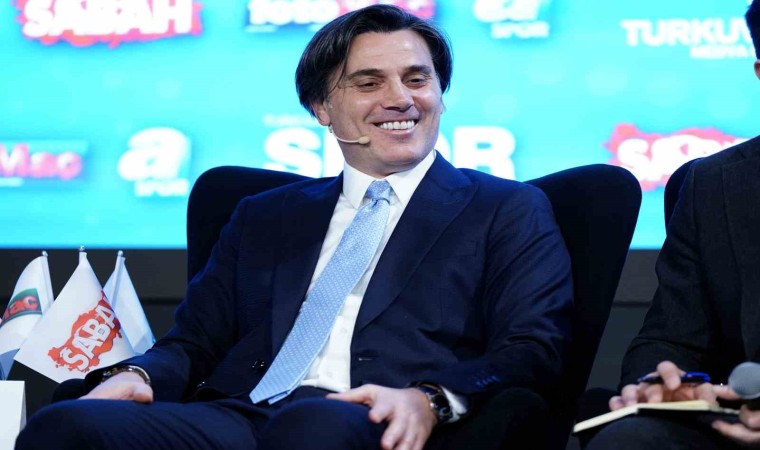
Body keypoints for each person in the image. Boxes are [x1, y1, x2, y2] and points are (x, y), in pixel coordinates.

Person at [16, 5, 573, 450]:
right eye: (369, 83)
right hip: (240, 414)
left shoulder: (505, 208)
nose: (401, 99)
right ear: (321, 108)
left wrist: (430, 398)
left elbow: (532, 347)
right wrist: (140, 376)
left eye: (417, 79)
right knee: (66, 425)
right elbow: (194, 342)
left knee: (310, 427)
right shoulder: (265, 215)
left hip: (379, 415)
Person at [584, 2, 760, 449]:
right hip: (736, 419)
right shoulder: (714, 185)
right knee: (629, 439)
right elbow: (671, 337)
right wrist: (662, 380)